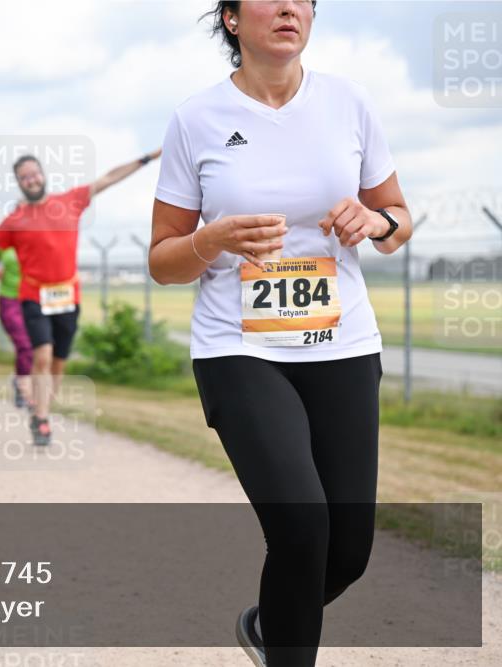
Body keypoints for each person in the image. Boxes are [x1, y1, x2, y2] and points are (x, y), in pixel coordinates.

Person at [147, 3, 413, 666]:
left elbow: (400, 218)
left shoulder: (349, 103)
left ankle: (272, 625)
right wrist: (209, 239)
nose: (291, 6)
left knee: (346, 550)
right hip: (239, 347)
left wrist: (373, 222)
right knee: (300, 526)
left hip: (343, 344)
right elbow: (161, 260)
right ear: (233, 19)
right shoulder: (196, 118)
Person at [0, 148, 161, 446]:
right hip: (33, 295)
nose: (31, 180)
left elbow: (109, 178)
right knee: (42, 355)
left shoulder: (70, 201)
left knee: (58, 363)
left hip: (67, 295)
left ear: (42, 175)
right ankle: (41, 418)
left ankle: (42, 410)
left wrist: (146, 159)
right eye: (25, 177)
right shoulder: (16, 219)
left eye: (34, 174)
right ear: (19, 183)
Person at [0, 247, 32, 408]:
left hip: (34, 300)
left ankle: (25, 381)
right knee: (24, 345)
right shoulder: (5, 240)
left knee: (39, 346)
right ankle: (22, 385)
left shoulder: (39, 237)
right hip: (9, 299)